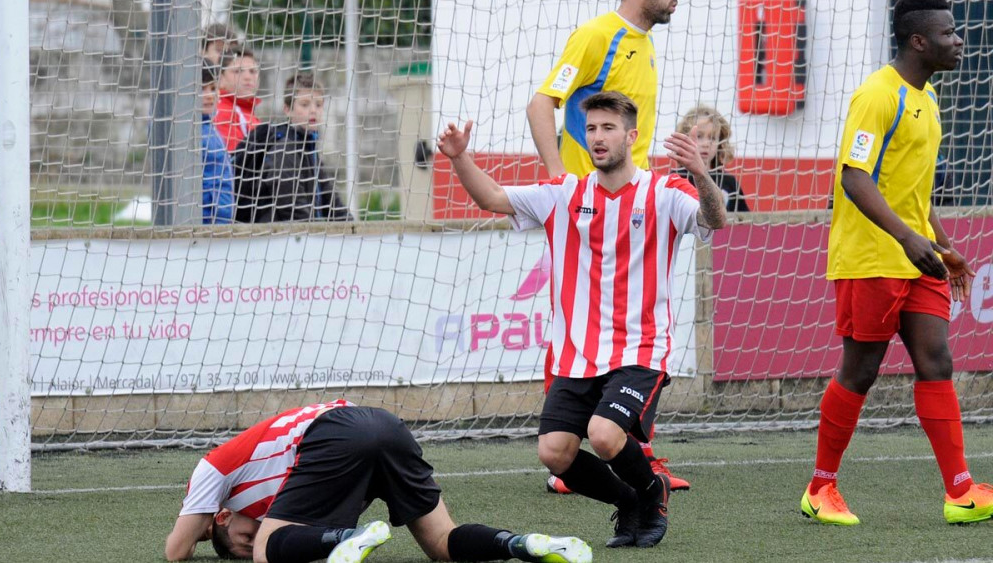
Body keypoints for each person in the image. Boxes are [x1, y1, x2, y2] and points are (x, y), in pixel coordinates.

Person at [439, 91, 726, 548]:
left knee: (604, 434)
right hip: (576, 354)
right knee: (555, 454)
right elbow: (492, 198)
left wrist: (701, 175)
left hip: (639, 348)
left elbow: (715, 220)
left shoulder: (666, 193)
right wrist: (459, 158)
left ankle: (653, 495)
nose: (598, 137)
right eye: (591, 128)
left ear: (631, 136)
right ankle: (629, 501)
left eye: (608, 128)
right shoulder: (565, 193)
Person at [801, 0, 993, 526]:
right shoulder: (876, 95)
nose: (959, 41)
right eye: (949, 32)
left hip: (917, 256)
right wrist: (909, 239)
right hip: (870, 258)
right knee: (860, 372)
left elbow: (913, 190)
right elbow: (854, 177)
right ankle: (820, 489)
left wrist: (941, 243)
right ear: (918, 41)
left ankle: (960, 493)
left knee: (937, 361)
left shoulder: (927, 98)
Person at [526, 0, 690, 494]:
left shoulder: (645, 42)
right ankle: (570, 457)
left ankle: (636, 455)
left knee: (639, 328)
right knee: (579, 322)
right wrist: (560, 177)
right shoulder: (600, 35)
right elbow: (541, 103)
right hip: (588, 212)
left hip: (635, 207)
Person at [165, 400, 592, 563]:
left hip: (336, 431)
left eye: (238, 533)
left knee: (264, 553)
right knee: (444, 545)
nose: (252, 529)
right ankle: (519, 544)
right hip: (386, 424)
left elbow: (175, 552)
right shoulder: (266, 487)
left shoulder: (211, 471)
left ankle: (346, 538)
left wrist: (204, 532)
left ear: (219, 517)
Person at [233, 73, 350, 223]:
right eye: (305, 104)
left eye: (318, 104)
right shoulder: (285, 149)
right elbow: (293, 208)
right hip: (277, 239)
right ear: (287, 110)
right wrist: (319, 234)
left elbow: (331, 201)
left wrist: (352, 230)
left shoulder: (309, 148)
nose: (313, 110)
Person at [673, 105, 749, 212]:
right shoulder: (675, 179)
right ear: (685, 138)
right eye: (699, 136)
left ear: (720, 142)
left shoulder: (729, 183)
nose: (706, 144)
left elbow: (744, 220)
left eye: (712, 138)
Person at [200, 61, 235, 224]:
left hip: (222, 217)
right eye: (201, 89)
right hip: (207, 220)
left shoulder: (211, 128)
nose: (208, 95)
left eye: (213, 89)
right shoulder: (192, 133)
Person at [215, 46, 261, 153]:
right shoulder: (224, 113)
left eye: (253, 71)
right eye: (238, 71)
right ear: (220, 79)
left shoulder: (245, 111)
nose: (247, 77)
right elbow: (236, 162)